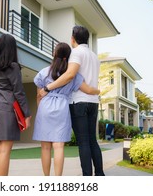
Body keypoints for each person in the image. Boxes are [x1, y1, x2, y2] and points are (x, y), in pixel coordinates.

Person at [40, 25, 105, 176]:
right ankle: (100, 174)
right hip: (93, 102)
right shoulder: (94, 56)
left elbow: (69, 75)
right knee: (92, 140)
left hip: (79, 102)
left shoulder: (76, 53)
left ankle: (87, 177)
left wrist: (48, 88)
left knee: (83, 142)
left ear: (72, 38)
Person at [0, 34, 32, 176]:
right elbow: (18, 92)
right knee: (5, 150)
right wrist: (27, 114)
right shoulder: (13, 67)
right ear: (12, 49)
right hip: (7, 109)